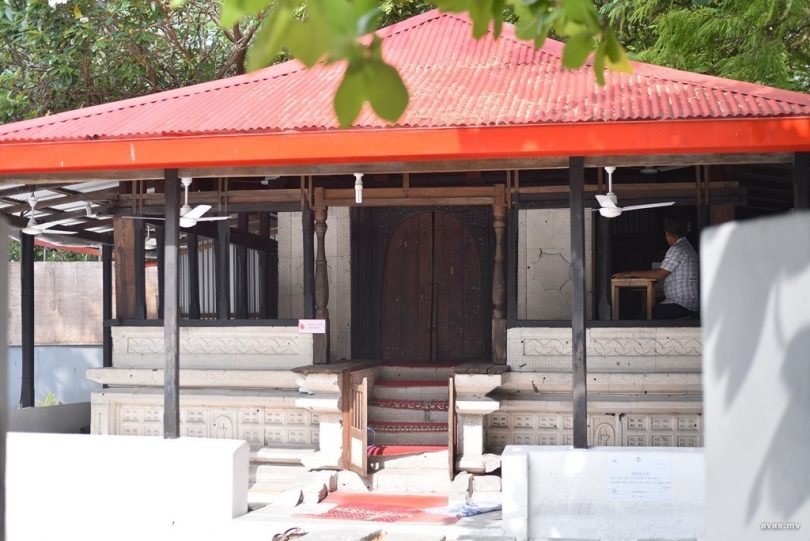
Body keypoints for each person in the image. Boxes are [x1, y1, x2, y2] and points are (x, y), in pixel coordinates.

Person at [613, 218, 699, 319]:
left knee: (644, 318)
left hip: (681, 304)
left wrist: (630, 273)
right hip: (689, 303)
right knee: (649, 314)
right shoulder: (688, 247)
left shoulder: (677, 249)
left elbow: (660, 274)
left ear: (667, 234)